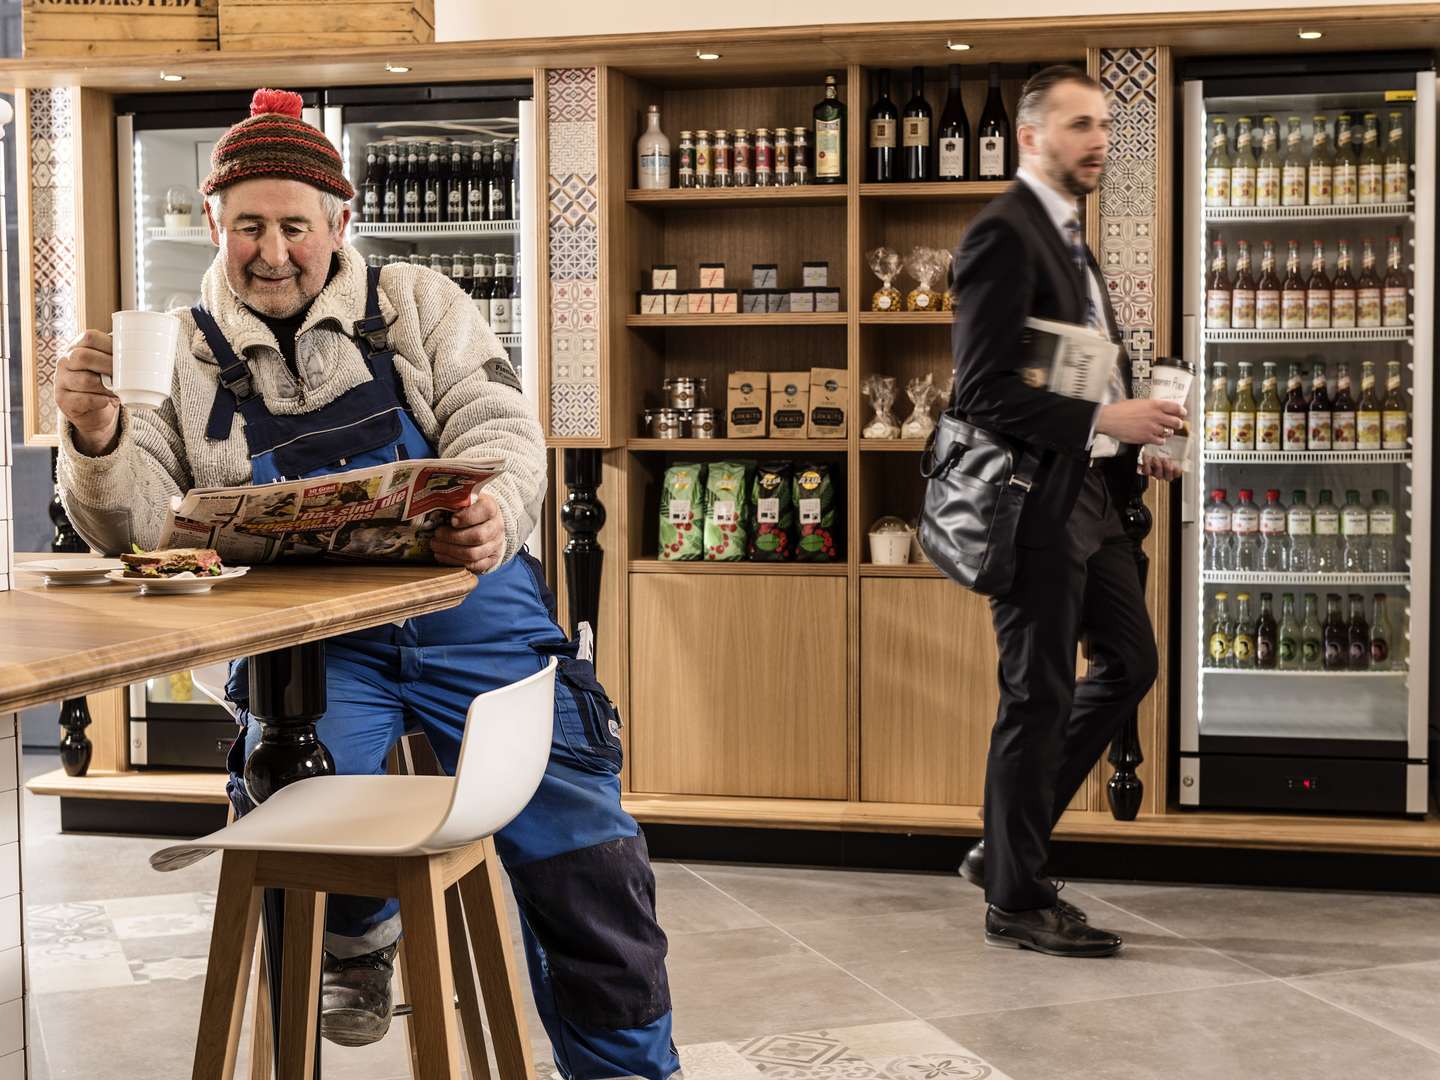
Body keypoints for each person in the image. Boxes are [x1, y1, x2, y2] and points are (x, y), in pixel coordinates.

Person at [55, 89, 679, 1079]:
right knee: (298, 816)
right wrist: (96, 441)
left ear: (338, 225)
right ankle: (353, 943)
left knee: (592, 867)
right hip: (311, 647)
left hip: (473, 614)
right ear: (213, 221)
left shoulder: (417, 303)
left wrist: (493, 512)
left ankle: (628, 1074)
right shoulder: (174, 352)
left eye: (294, 226)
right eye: (248, 224)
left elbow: (501, 430)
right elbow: (135, 528)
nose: (270, 251)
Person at [947, 66, 1185, 958]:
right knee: (1036, 694)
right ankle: (1015, 896)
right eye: (1080, 125)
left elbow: (1077, 365)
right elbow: (980, 393)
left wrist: (1133, 438)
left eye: (1105, 127)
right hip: (1034, 505)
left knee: (1130, 661)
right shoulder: (1002, 235)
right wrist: (1101, 419)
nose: (1098, 141)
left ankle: (1006, 849)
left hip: (1092, 492)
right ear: (1032, 137)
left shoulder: (1068, 238)